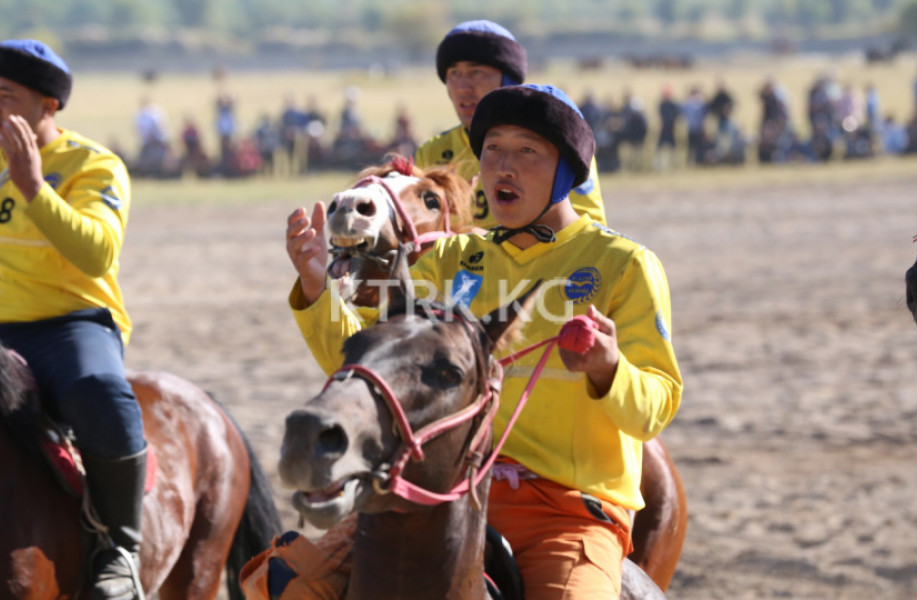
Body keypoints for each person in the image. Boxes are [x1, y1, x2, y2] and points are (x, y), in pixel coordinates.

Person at [285, 84, 682, 599]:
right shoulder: (451, 258)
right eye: (492, 150)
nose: (502, 167)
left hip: (564, 513)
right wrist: (317, 287)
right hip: (438, 492)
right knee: (293, 588)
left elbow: (657, 407)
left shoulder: (624, 265)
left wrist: (609, 369)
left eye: (526, 152)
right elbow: (368, 365)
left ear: (566, 171)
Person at [0, 39, 144, 600]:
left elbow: (97, 253)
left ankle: (119, 548)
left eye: (6, 94)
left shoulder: (95, 165)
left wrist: (34, 186)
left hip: (71, 325)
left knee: (101, 392)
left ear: (48, 106)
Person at [415, 20, 607, 228]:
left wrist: (491, 246)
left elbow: (590, 228)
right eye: (454, 73)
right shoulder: (431, 153)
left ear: (508, 82)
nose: (463, 87)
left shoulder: (558, 143)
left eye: (477, 72)